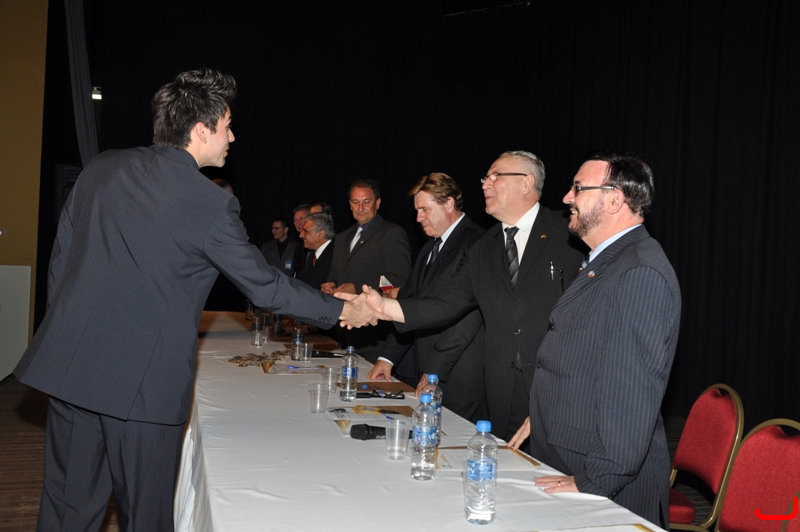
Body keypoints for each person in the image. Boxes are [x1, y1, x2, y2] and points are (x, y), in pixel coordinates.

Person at [12, 68, 368, 532]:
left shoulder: (100, 167)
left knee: (66, 511)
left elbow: (60, 263)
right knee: (146, 517)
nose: (232, 137)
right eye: (227, 126)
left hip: (72, 369)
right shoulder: (209, 203)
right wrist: (344, 309)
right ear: (201, 130)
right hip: (144, 390)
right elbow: (265, 287)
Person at [338, 151, 585, 440]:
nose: (485, 184)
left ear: (527, 183)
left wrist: (558, 395)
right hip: (500, 392)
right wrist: (382, 307)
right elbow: (447, 304)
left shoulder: (568, 232)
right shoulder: (484, 246)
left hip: (556, 391)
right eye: (485, 177)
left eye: (496, 176)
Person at [506, 151, 681, 527]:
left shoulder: (640, 272)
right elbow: (586, 358)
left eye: (578, 188)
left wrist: (596, 481)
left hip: (605, 484)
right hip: (572, 456)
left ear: (615, 200)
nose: (567, 197)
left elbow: (631, 396)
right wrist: (543, 413)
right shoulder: (609, 261)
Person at [368, 172, 488, 423]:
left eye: (425, 209)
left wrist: (435, 371)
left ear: (449, 204)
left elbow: (467, 318)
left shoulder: (477, 242)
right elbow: (409, 306)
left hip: (457, 379)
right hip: (426, 372)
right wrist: (387, 357)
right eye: (417, 210)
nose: (418, 217)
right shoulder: (429, 247)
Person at [321, 179, 411, 362]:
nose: (360, 207)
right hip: (344, 333)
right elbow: (336, 273)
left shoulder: (391, 233)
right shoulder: (342, 237)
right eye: (356, 202)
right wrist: (330, 284)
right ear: (350, 205)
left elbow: (397, 279)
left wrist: (357, 288)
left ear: (378, 203)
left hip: (375, 337)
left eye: (366, 202)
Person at [296, 213, 335, 290]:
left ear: (321, 234)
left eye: (305, 231)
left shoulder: (335, 255)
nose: (301, 235)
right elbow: (301, 280)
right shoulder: (314, 255)